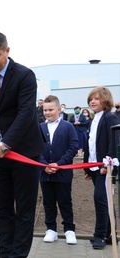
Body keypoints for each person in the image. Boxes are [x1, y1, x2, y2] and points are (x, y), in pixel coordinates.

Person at [0, 31, 44, 258]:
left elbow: (25, 114)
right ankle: (4, 253)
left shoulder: (24, 76)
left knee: (24, 210)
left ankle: (18, 255)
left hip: (24, 153)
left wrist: (5, 145)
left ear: (7, 50)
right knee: (2, 209)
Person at [83, 87, 120, 250]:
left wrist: (107, 165)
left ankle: (100, 236)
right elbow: (91, 145)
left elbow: (114, 142)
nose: (93, 101)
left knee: (100, 200)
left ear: (106, 100)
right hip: (94, 167)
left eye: (97, 98)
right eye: (91, 98)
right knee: (105, 201)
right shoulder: (93, 119)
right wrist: (88, 168)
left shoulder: (109, 117)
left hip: (105, 168)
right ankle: (111, 234)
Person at [39, 95, 79, 245]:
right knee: (48, 202)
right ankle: (51, 229)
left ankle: (69, 230)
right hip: (45, 173)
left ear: (59, 109)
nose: (47, 113)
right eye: (45, 110)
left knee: (65, 201)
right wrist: (45, 165)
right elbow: (37, 149)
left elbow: (73, 147)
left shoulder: (68, 127)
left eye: (50, 109)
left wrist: (59, 164)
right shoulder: (40, 127)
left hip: (63, 173)